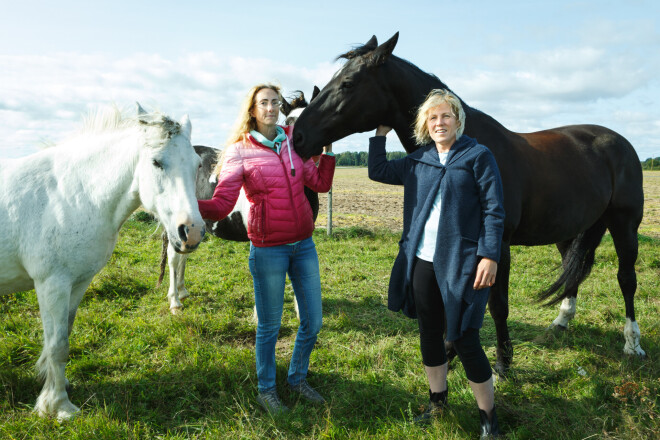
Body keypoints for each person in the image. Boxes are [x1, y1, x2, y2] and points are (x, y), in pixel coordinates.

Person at [368, 89, 505, 438]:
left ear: (457, 120)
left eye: (445, 116)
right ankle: (437, 403)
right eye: (433, 118)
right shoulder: (419, 161)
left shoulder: (478, 156)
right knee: (429, 333)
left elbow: (494, 209)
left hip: (463, 264)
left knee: (464, 337)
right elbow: (379, 170)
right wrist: (380, 136)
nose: (439, 122)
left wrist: (489, 255)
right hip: (423, 263)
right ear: (424, 125)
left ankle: (488, 419)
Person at [198, 84, 335, 414]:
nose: (271, 107)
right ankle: (266, 389)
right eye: (264, 102)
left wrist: (327, 152)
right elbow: (223, 202)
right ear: (253, 110)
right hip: (268, 250)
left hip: (303, 246)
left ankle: (297, 378)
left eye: (275, 102)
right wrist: (190, 207)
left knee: (313, 322)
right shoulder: (239, 151)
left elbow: (320, 184)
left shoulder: (292, 143)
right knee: (270, 327)